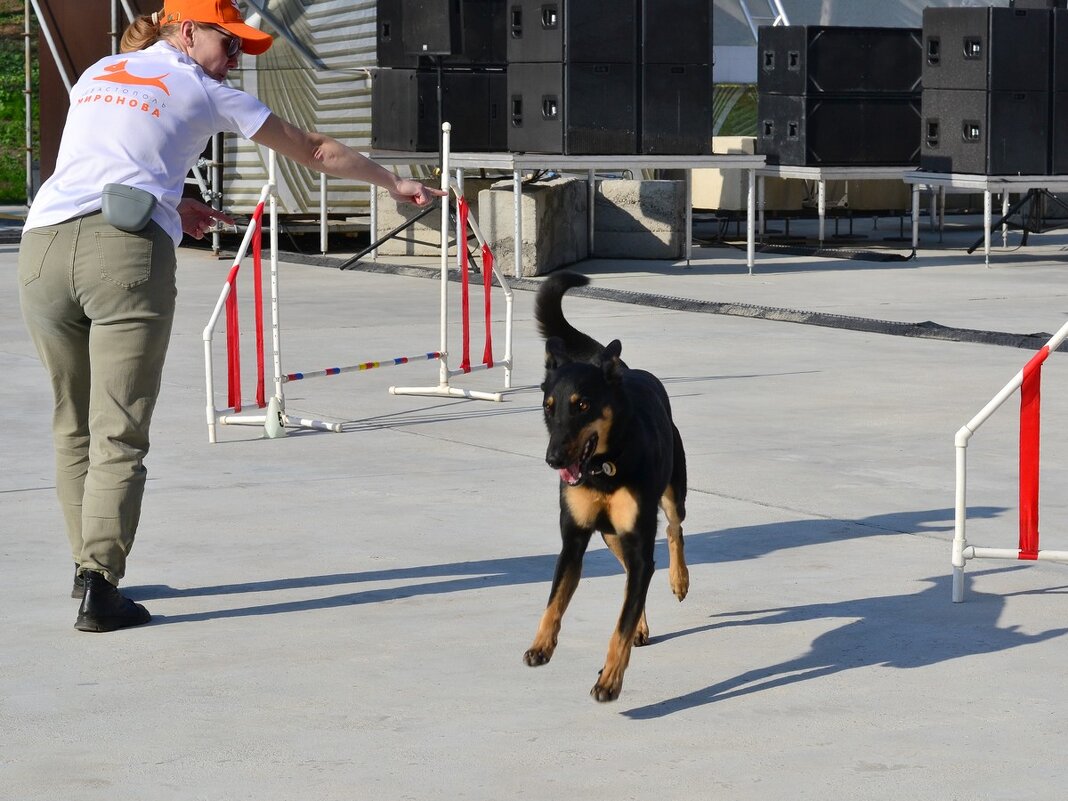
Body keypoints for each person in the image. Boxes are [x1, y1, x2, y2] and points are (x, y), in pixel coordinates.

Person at [18, 0, 444, 633]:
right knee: (120, 427)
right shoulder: (203, 89)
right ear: (187, 32)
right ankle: (99, 585)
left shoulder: (101, 71)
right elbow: (316, 149)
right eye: (230, 41)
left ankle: (86, 559)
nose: (237, 57)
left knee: (72, 419)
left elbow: (105, 162)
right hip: (122, 257)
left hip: (41, 249)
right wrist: (393, 183)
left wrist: (174, 204)